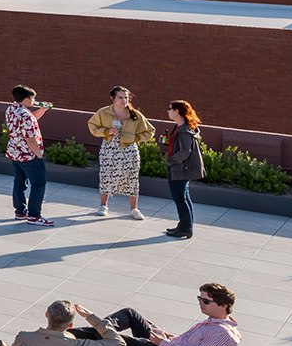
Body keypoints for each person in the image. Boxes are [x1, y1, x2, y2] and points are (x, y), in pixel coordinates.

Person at [116, 282, 241, 346]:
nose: (200, 303)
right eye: (200, 299)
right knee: (130, 314)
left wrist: (162, 343)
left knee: (114, 339)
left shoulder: (222, 334)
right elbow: (190, 345)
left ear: (223, 306)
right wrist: (168, 337)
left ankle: (97, 335)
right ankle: (98, 332)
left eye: (206, 301)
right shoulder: (215, 323)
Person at [86, 86, 155, 221]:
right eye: (121, 97)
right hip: (109, 149)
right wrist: (107, 132)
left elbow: (150, 131)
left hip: (129, 150)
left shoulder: (135, 115)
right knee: (106, 175)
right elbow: (92, 126)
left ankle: (134, 209)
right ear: (112, 98)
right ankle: (103, 205)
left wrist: (134, 138)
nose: (124, 100)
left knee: (132, 178)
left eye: (126, 97)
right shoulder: (103, 112)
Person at [3, 86, 52, 227]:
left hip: (15, 153)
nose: (34, 100)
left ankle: (20, 212)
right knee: (38, 184)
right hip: (29, 156)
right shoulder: (25, 115)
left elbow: (31, 120)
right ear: (26, 99)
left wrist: (42, 110)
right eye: (32, 98)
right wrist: (39, 156)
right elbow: (30, 139)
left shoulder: (11, 109)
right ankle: (34, 216)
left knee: (19, 181)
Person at [160, 100, 206, 240]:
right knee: (183, 197)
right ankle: (184, 225)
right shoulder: (180, 127)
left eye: (170, 108)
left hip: (180, 168)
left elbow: (185, 151)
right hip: (179, 168)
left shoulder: (184, 131)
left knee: (180, 198)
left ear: (177, 112)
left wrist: (170, 161)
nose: (168, 111)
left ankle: (186, 228)